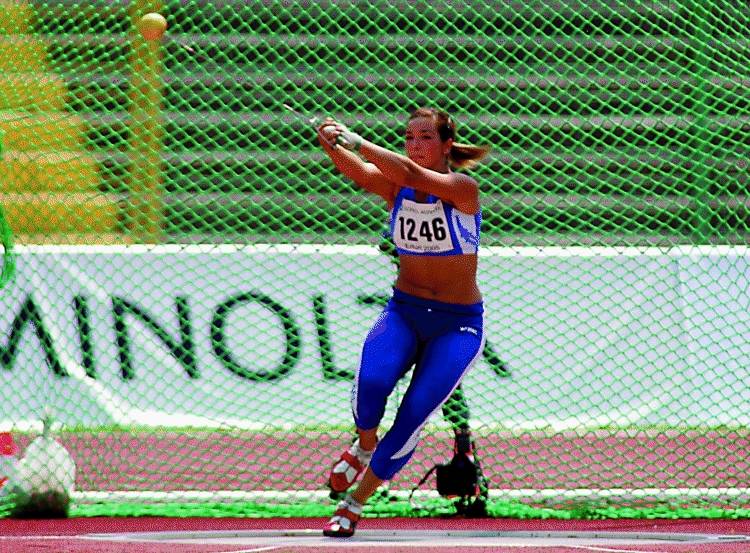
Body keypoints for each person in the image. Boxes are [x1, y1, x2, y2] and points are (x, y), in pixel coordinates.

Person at [316, 107, 491, 537]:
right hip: (406, 311)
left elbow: (412, 174)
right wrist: (331, 142)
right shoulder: (398, 189)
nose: (415, 144)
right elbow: (358, 172)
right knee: (371, 387)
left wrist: (357, 141)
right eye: (409, 137)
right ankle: (364, 443)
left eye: (426, 137)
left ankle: (355, 502)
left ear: (447, 144)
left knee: (412, 418)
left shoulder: (461, 188)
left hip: (456, 326)